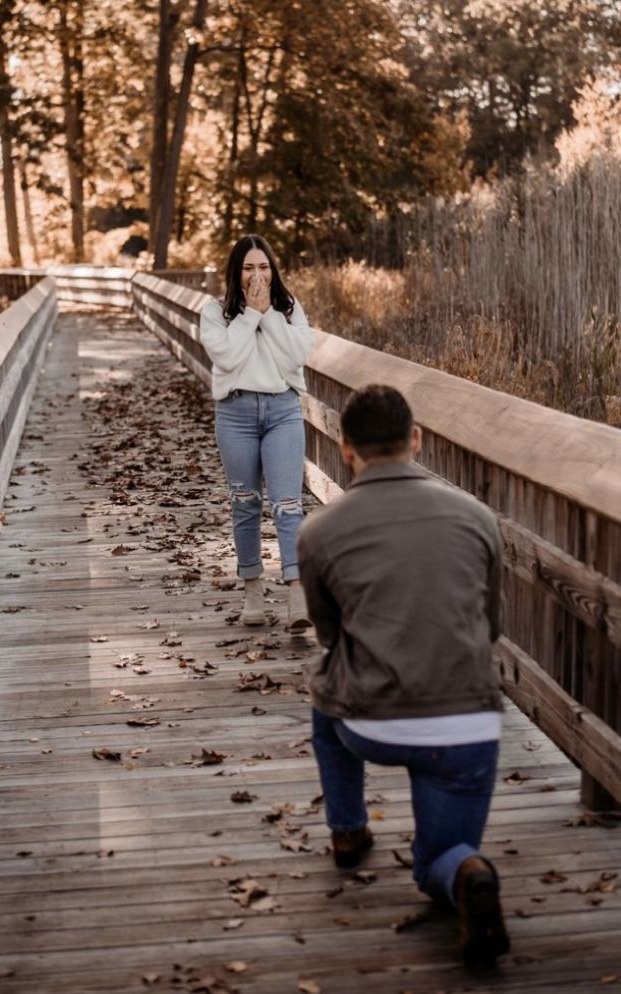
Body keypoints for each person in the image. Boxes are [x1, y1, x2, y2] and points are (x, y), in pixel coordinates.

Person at [297, 384, 510, 966]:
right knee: (440, 856)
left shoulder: (318, 532)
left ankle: (348, 830)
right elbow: (489, 626)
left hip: (373, 723)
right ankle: (466, 871)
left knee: (323, 691)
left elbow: (330, 637)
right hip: (467, 727)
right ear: (415, 439)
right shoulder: (478, 516)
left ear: (346, 450)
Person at [200, 234, 315, 630]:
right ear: (236, 271)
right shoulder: (215, 312)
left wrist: (269, 316)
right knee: (245, 502)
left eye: (263, 266)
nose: (257, 275)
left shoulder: (290, 308)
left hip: (282, 410)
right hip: (236, 413)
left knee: (288, 504)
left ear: (274, 268)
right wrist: (250, 314)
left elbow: (297, 356)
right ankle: (252, 590)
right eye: (248, 267)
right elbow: (229, 357)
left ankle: (296, 590)